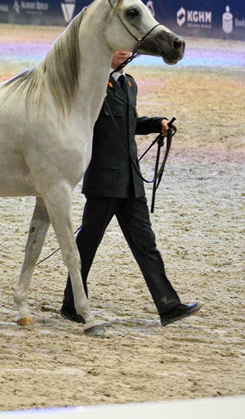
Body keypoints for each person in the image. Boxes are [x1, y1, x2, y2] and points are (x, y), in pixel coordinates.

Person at [60, 51, 202, 327]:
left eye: (127, 49)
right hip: (103, 181)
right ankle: (71, 303)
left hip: (130, 182)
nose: (124, 52)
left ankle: (169, 305)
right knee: (87, 245)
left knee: (147, 245)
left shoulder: (129, 84)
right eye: (117, 49)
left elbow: (129, 124)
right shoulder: (92, 86)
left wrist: (155, 124)